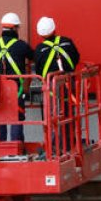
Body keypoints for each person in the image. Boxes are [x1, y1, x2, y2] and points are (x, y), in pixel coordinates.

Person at [33, 16, 81, 154]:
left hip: (52, 87)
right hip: (69, 83)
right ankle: (69, 143)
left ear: (40, 34)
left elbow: (40, 70)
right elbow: (76, 58)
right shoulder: (67, 42)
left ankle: (55, 147)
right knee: (69, 113)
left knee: (54, 117)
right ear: (54, 29)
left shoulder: (40, 49)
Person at [0, 12, 32, 143]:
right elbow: (33, 56)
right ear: (15, 28)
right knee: (16, 116)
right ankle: (16, 147)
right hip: (16, 89)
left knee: (0, 117)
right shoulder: (21, 45)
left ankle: (1, 147)